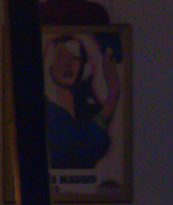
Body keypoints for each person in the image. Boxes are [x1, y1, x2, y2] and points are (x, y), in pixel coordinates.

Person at [43, 33, 121, 170]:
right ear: (50, 64)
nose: (68, 63)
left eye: (75, 57)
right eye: (61, 56)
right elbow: (83, 143)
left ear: (83, 67)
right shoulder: (45, 111)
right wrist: (113, 93)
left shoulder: (93, 112)